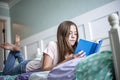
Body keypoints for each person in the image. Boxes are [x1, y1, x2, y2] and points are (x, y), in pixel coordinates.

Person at [0, 21, 85, 75]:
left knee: (24, 61)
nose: (74, 36)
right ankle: (14, 51)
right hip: (26, 67)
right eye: (70, 33)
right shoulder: (53, 45)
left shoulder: (74, 51)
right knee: (5, 74)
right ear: (62, 35)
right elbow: (45, 69)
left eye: (75, 33)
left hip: (34, 62)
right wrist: (67, 60)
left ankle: (17, 51)